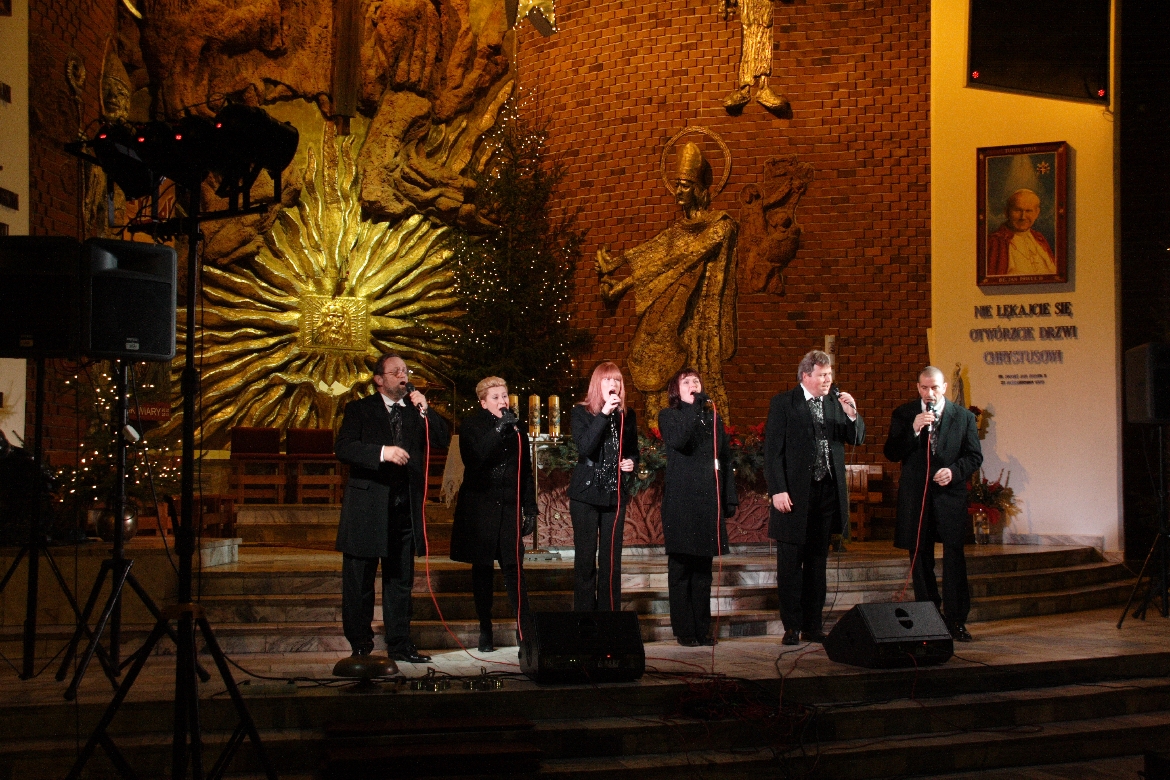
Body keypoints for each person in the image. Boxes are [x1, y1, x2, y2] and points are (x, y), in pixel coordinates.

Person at [596, 142, 738, 428]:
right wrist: (616, 264)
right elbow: (655, 251)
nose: (678, 192)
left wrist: (622, 285)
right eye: (676, 185)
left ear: (699, 188)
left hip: (698, 320)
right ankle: (659, 429)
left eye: (685, 185)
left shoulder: (720, 226)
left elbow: (681, 258)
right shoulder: (677, 231)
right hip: (671, 312)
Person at [335, 352, 449, 663]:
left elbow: (442, 438)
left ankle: (400, 644)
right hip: (367, 509)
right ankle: (360, 645)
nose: (403, 375)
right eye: (395, 371)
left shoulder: (415, 411)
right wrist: (382, 453)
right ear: (379, 379)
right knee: (359, 582)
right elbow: (343, 447)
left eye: (405, 371)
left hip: (403, 510)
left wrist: (427, 408)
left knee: (400, 581)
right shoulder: (359, 409)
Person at [764, 350, 864, 645]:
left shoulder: (835, 402)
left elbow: (856, 438)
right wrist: (777, 489)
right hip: (794, 495)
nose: (827, 379)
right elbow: (772, 452)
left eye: (829, 374)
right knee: (790, 564)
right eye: (822, 375)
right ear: (805, 375)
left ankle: (813, 625)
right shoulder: (784, 403)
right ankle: (792, 626)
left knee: (817, 563)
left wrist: (852, 414)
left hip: (826, 493)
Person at [884, 366, 983, 642]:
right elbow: (891, 452)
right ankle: (929, 618)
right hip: (917, 497)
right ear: (918, 388)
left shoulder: (963, 417)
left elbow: (974, 457)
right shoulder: (904, 414)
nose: (930, 393)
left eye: (935, 388)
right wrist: (913, 430)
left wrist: (954, 471)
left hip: (949, 497)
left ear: (945, 387)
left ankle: (956, 620)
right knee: (920, 555)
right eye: (925, 388)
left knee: (954, 556)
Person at [450, 377, 538, 653]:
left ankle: (524, 632)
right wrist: (498, 429)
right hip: (481, 510)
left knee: (514, 569)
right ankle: (485, 629)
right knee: (483, 570)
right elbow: (475, 458)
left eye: (505, 396)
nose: (503, 401)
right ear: (483, 402)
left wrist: (530, 508)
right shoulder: (472, 426)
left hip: (509, 509)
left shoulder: (517, 429)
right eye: (496, 397)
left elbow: (525, 471)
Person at [658, 368, 738, 646]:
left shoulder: (713, 418)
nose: (693, 385)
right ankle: (684, 630)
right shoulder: (669, 416)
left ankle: (702, 629)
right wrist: (693, 408)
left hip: (707, 500)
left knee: (703, 570)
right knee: (681, 568)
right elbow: (679, 440)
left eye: (696, 381)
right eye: (687, 382)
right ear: (676, 390)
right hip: (681, 501)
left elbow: (724, 458)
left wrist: (729, 496)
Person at [569, 361, 640, 611]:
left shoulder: (627, 415)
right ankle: (585, 620)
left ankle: (609, 619)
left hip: (614, 494)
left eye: (617, 380)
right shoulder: (581, 412)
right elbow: (585, 446)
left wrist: (631, 462)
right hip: (586, 494)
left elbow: (633, 450)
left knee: (611, 562)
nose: (613, 384)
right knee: (585, 559)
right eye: (608, 379)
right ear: (597, 384)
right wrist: (604, 413)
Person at [986, 188, 1057, 277]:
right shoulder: (995, 242)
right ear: (1006, 212)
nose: (1023, 217)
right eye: (1017, 210)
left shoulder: (1039, 238)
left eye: (1028, 211)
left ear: (1037, 213)